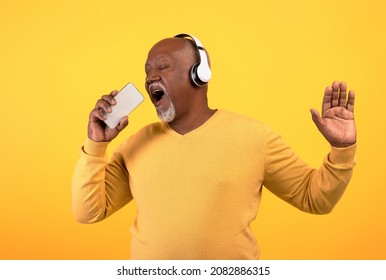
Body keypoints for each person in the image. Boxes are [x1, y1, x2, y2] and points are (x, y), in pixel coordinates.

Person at [72, 33, 357, 260]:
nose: (150, 77)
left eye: (162, 66)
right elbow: (88, 212)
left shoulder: (256, 137)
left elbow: (315, 199)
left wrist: (342, 150)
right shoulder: (136, 143)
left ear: (199, 74)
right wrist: (96, 145)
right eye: (147, 71)